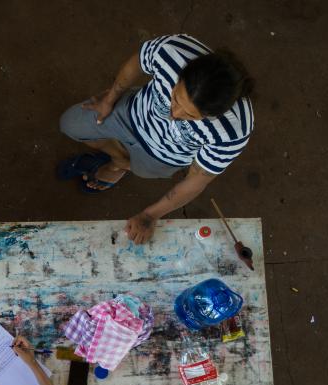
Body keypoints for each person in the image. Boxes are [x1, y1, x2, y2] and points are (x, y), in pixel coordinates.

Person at [59, 34, 254, 244]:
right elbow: (136, 64)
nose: (174, 114)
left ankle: (120, 165)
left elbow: (197, 179)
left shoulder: (233, 130)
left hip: (164, 157)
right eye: (176, 98)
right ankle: (121, 161)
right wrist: (109, 99)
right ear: (181, 75)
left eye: (190, 115)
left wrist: (149, 215)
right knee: (70, 124)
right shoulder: (172, 51)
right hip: (132, 113)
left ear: (214, 115)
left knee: (142, 170)